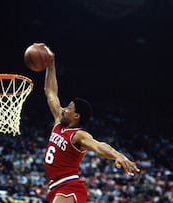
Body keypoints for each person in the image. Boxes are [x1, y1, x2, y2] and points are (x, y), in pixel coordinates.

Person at [41, 43, 141, 203]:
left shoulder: (78, 135)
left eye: (69, 108)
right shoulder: (59, 122)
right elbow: (51, 93)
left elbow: (99, 146)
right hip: (55, 186)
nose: (64, 109)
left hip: (69, 186)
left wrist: (117, 154)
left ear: (77, 116)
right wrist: (51, 65)